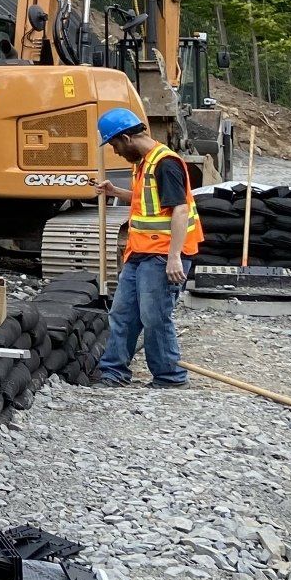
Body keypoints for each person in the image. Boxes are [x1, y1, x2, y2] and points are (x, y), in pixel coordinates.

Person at [87, 107, 199, 388]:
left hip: (163, 255)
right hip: (139, 253)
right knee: (122, 313)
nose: (115, 151)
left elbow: (180, 210)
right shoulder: (144, 163)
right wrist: (115, 193)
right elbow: (146, 201)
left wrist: (174, 257)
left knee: (155, 316)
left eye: (114, 144)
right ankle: (113, 373)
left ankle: (169, 376)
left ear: (126, 138)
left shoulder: (166, 163)